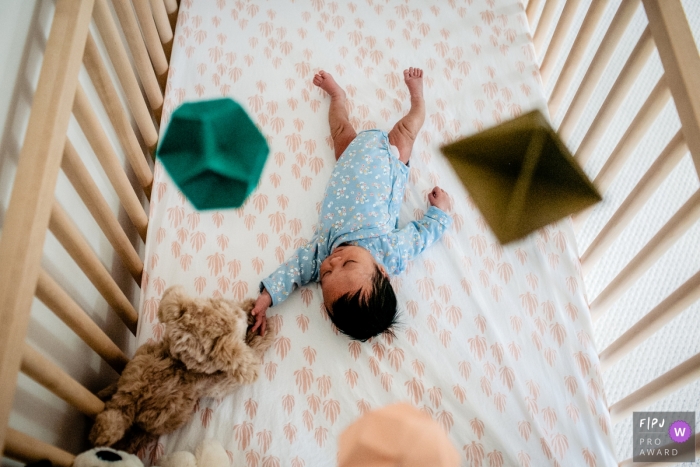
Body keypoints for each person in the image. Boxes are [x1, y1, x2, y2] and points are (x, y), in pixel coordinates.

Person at [251, 68, 452, 340]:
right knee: (408, 128)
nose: (334, 261)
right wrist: (439, 212)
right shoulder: (389, 252)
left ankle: (338, 96)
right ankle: (418, 98)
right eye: (347, 265)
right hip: (390, 157)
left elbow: (295, 271)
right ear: (381, 270)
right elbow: (421, 236)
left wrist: (267, 297)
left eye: (326, 275)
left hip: (348, 157)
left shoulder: (323, 250)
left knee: (339, 127)